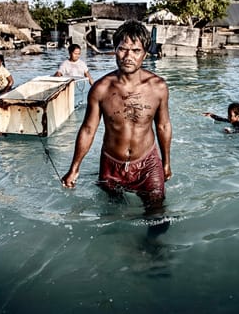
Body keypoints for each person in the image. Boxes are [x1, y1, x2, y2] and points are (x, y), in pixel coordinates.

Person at [61, 20, 172, 217]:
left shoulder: (158, 87)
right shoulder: (101, 89)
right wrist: (74, 169)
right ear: (115, 50)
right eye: (123, 49)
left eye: (136, 50)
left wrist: (166, 162)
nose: (128, 56)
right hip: (111, 164)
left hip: (147, 163)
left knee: (157, 214)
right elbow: (88, 129)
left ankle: (151, 247)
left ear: (145, 54)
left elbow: (163, 125)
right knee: (112, 215)